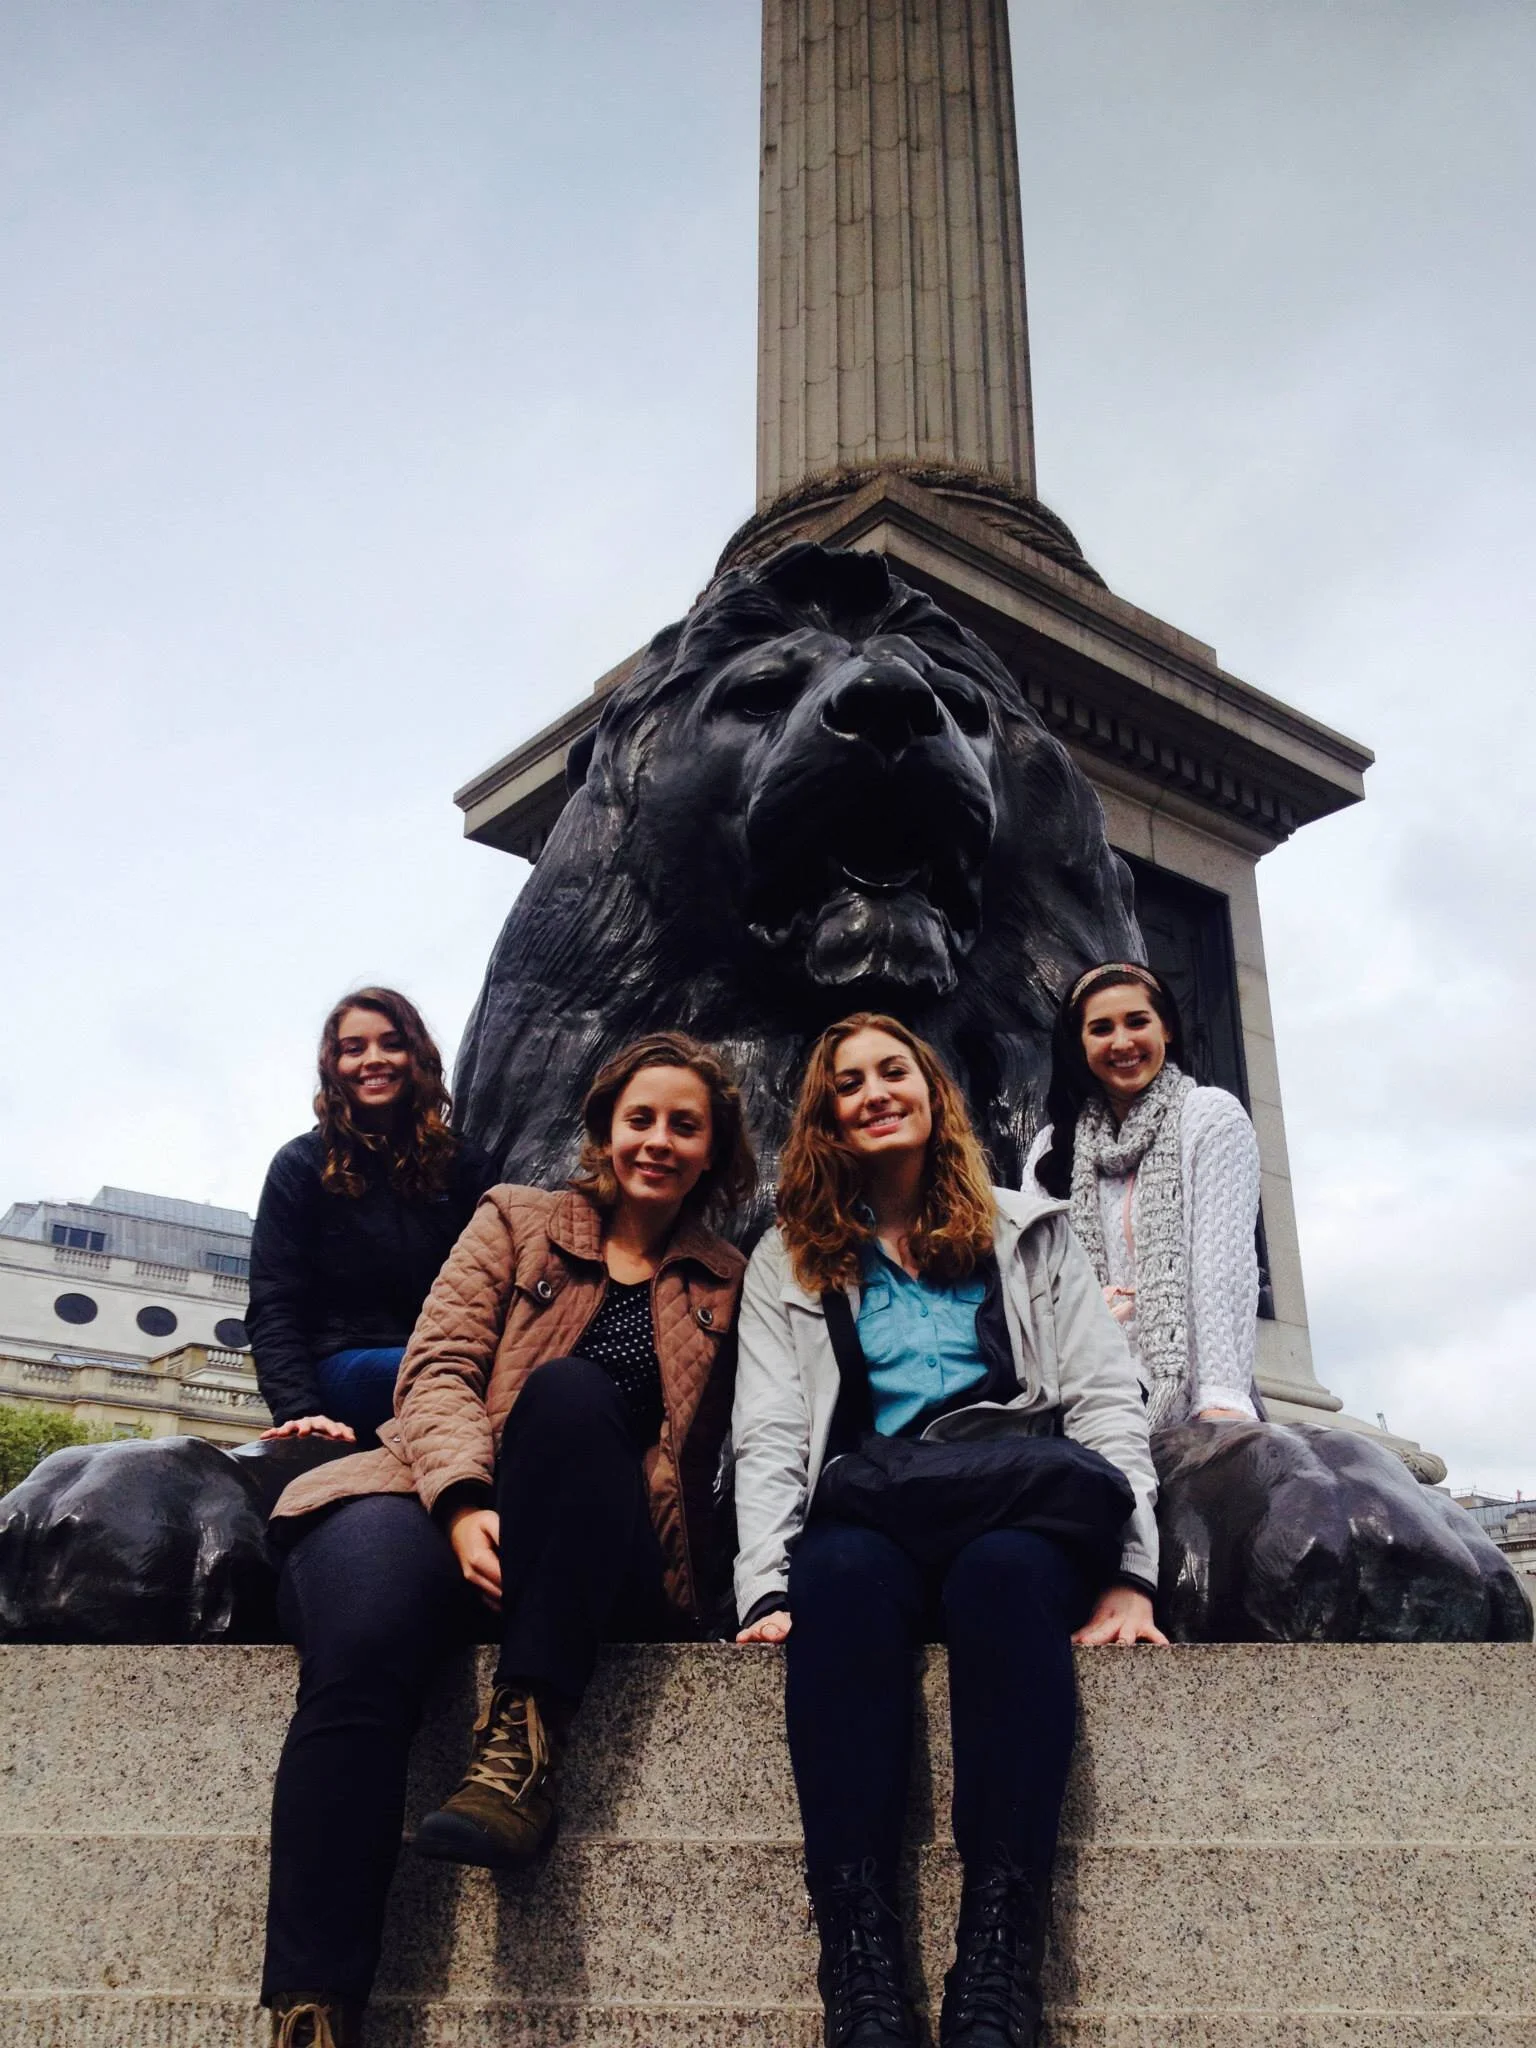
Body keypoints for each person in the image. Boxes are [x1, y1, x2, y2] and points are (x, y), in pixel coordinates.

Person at [258, 1031, 754, 2048]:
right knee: (359, 1651)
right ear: (606, 1129)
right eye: (641, 1118)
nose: (658, 1140)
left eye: (685, 1125)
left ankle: (519, 1754)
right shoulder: (515, 1221)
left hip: (605, 1545)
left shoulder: (734, 1282)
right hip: (434, 1495)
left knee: (572, 1392)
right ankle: (311, 2007)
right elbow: (436, 1367)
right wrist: (463, 1499)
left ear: (714, 1148)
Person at [731, 1013, 1161, 2048]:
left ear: (933, 1093)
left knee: (1006, 1576)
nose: (876, 1091)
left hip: (1011, 1503)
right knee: (837, 1573)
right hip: (870, 1507)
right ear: (825, 1112)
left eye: (895, 1071)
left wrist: (1134, 1573)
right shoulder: (790, 1258)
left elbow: (1107, 1398)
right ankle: (859, 1947)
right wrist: (763, 1586)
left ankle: (1001, 1947)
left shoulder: (1031, 1231)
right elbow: (772, 1427)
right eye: (851, 1081)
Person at [247, 987, 497, 1447]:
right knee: (424, 1375)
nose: (373, 1059)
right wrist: (301, 1410)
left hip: (452, 1356)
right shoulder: (301, 1164)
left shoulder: (466, 1166)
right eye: (354, 1048)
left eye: (392, 1044)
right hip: (349, 1365)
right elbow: (274, 1302)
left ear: (416, 1056)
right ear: (333, 1065)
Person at [1030, 961, 1262, 1427]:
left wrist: (1221, 1396)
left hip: (1179, 1389)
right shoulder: (1052, 1146)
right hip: (1079, 1383)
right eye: (1101, 1029)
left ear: (1168, 1029)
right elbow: (1034, 1279)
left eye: (1137, 1022)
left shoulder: (1210, 1117)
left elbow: (1223, 1266)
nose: (1122, 1043)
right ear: (1080, 1045)